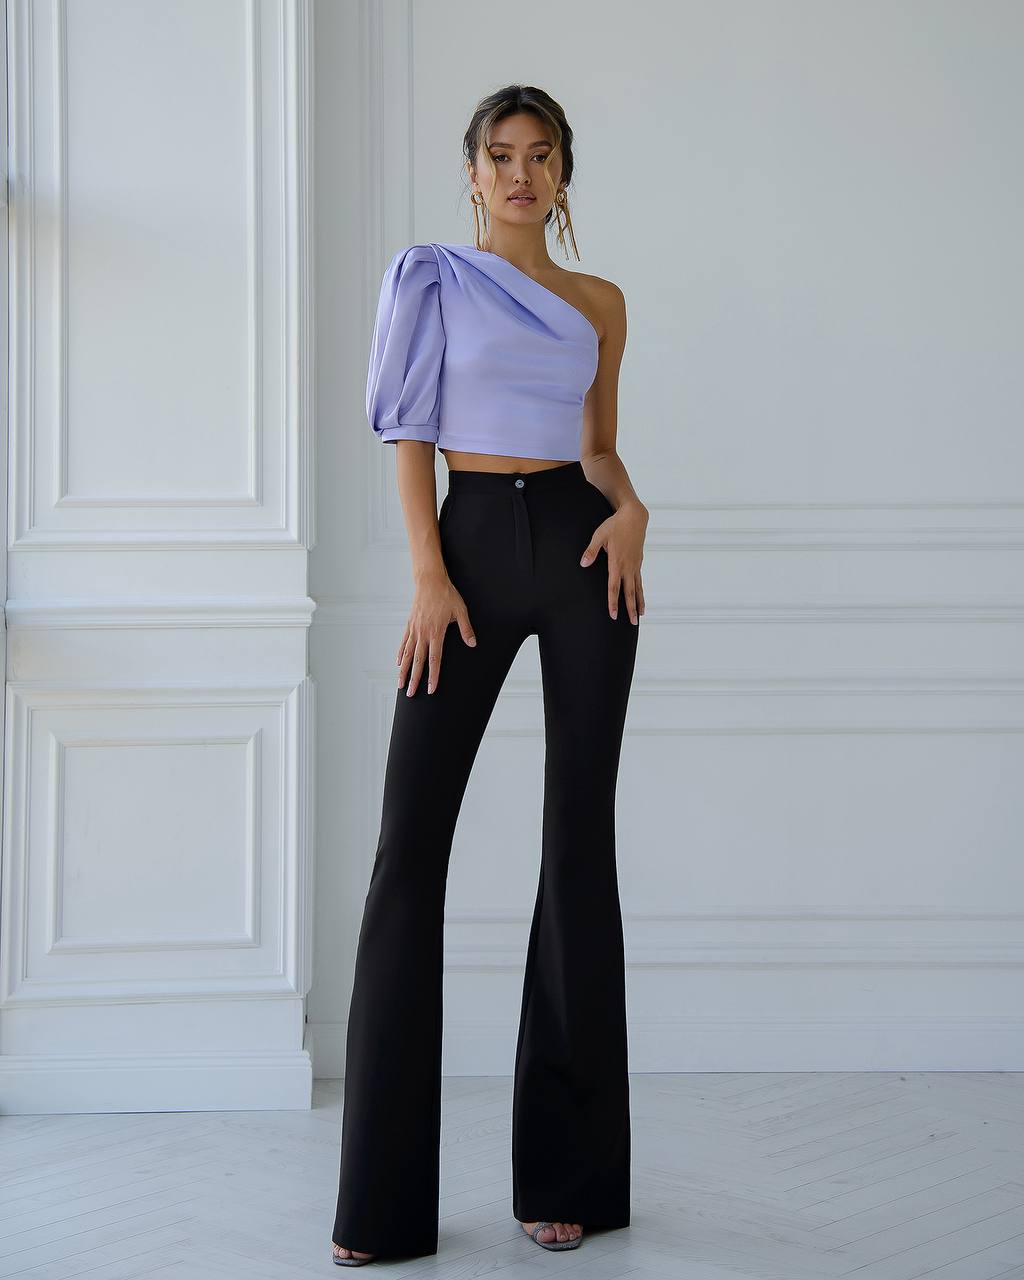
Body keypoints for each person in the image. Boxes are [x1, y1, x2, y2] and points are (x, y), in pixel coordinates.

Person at [331, 84, 649, 1267]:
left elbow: (599, 443)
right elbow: (409, 431)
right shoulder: (430, 279)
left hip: (578, 553)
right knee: (407, 850)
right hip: (462, 549)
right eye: (499, 155)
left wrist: (635, 513)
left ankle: (564, 1180)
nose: (519, 173)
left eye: (541, 156)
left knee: (576, 842)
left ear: (564, 174)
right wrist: (428, 576)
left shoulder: (601, 301)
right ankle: (379, 1206)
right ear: (470, 172)